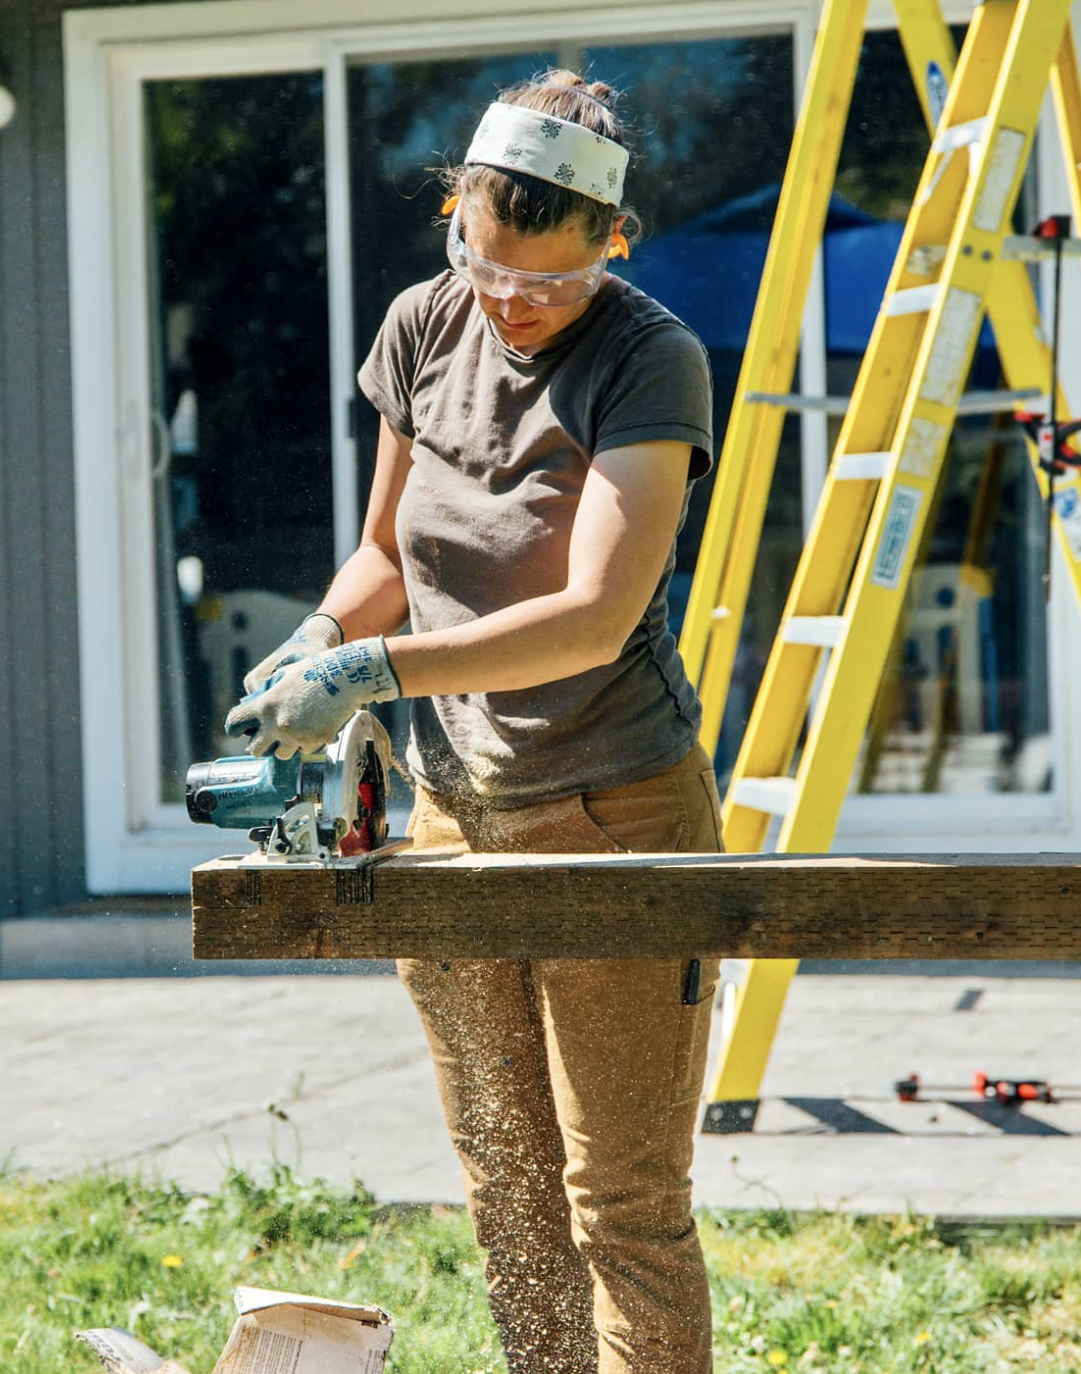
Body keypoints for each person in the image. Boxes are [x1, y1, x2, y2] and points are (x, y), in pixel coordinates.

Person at [226, 71, 722, 1374]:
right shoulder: (421, 324)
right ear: (457, 212)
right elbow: (386, 546)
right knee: (508, 1182)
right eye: (484, 261)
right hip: (452, 809)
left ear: (612, 244)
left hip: (614, 806)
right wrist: (324, 636)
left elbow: (594, 615)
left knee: (624, 1203)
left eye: (546, 284)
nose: (509, 304)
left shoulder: (649, 356)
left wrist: (377, 670)